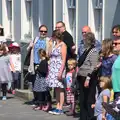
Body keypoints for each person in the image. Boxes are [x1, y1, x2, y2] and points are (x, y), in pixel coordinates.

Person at [26, 25, 53, 104]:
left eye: (45, 31)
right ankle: (37, 98)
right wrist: (31, 46)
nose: (43, 33)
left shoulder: (48, 40)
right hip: (34, 62)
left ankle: (45, 99)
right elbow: (28, 49)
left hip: (44, 63)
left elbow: (50, 52)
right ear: (39, 32)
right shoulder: (35, 39)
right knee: (34, 81)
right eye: (41, 31)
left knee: (43, 82)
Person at [77, 32, 99, 120]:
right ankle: (83, 117)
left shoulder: (94, 51)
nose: (83, 41)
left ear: (88, 40)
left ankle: (90, 117)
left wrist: (88, 78)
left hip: (88, 78)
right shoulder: (86, 50)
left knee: (89, 99)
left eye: (85, 39)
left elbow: (93, 67)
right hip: (81, 77)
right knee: (82, 99)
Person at [47, 30, 67, 115]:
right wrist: (50, 46)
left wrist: (60, 72)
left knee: (60, 88)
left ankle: (61, 107)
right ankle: (58, 106)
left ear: (55, 36)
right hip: (53, 69)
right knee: (56, 88)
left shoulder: (63, 45)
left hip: (58, 69)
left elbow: (63, 60)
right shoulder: (55, 45)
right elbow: (48, 55)